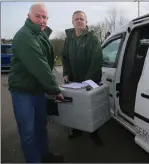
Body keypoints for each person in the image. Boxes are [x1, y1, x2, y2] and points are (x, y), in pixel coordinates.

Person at [8, 3, 64, 163]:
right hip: (23, 91)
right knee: (28, 132)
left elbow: (47, 64)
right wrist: (55, 90)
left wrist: (50, 87)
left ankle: (45, 155)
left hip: (38, 89)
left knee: (41, 126)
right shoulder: (25, 36)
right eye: (37, 16)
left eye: (44, 17)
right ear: (29, 17)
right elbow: (40, 66)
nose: (41, 20)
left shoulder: (39, 34)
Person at [62, 10, 103, 144]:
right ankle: (77, 130)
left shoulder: (93, 38)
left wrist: (88, 81)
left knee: (92, 107)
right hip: (74, 81)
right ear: (72, 22)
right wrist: (66, 73)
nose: (79, 21)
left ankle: (94, 132)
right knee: (75, 106)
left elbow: (96, 60)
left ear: (86, 22)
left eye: (81, 19)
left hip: (90, 81)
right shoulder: (68, 39)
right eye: (76, 19)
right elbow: (65, 57)